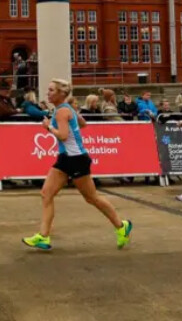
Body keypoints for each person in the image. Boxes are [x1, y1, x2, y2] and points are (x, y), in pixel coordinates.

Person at [22, 78, 133, 251]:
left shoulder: (61, 112)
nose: (47, 93)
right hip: (65, 158)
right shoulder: (65, 109)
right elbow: (83, 123)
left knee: (91, 198)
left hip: (76, 159)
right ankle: (43, 236)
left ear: (61, 94)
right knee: (46, 194)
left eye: (51, 90)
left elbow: (63, 136)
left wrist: (48, 127)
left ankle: (121, 226)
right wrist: (72, 123)